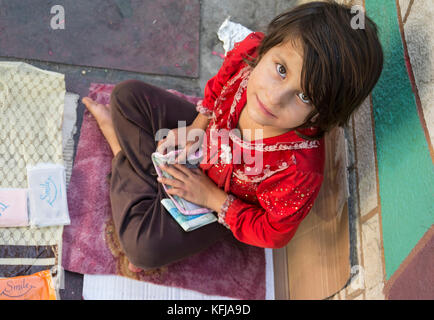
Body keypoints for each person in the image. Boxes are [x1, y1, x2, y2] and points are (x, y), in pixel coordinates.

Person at [82, 0, 383, 271]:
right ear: (267, 49)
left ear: (321, 115)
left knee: (142, 251)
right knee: (127, 96)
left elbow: (273, 233)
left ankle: (121, 152)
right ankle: (154, 183)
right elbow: (220, 84)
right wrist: (197, 127)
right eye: (280, 69)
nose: (275, 97)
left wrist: (212, 198)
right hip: (204, 141)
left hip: (218, 202)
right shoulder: (250, 52)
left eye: (304, 97)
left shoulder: (298, 170)